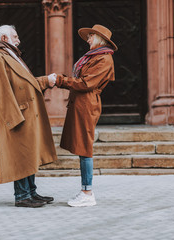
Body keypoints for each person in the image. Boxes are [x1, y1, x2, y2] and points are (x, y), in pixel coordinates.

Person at [0, 25, 58, 208]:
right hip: (17, 116)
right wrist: (13, 120)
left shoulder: (12, 57)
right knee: (21, 157)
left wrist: (45, 81)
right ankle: (22, 196)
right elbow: (2, 93)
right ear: (4, 37)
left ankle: (31, 192)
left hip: (27, 115)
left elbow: (27, 83)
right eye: (15, 37)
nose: (19, 40)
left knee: (29, 155)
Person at [55, 24, 117, 207]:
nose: (88, 40)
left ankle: (87, 193)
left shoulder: (104, 59)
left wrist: (59, 80)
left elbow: (86, 83)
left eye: (91, 36)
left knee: (85, 149)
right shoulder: (93, 57)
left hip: (87, 105)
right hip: (81, 104)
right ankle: (85, 191)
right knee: (83, 148)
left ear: (99, 39)